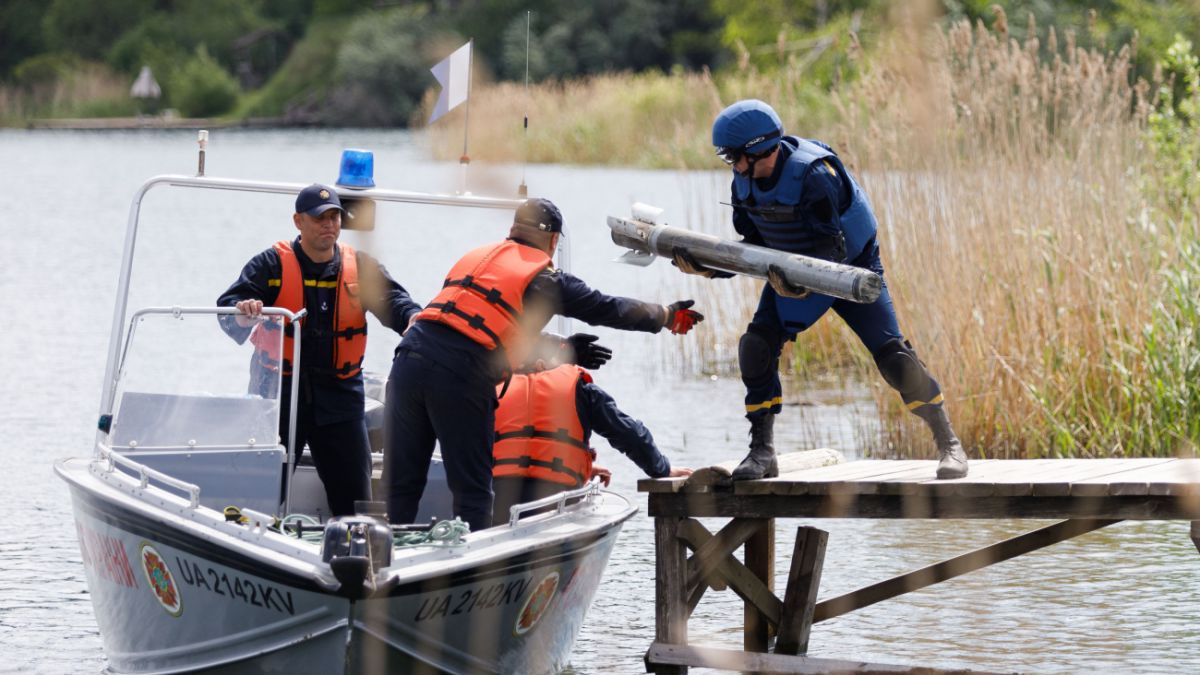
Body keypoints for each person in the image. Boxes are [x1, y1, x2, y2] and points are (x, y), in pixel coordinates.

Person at [674, 99, 967, 480]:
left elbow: (832, 252)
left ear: (760, 148)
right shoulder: (743, 181)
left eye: (735, 157)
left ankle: (949, 445)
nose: (733, 166)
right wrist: (707, 269)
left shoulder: (815, 176)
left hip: (850, 269)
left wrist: (796, 285)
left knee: (895, 358)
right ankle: (762, 452)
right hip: (792, 272)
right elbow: (751, 249)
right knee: (756, 346)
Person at [385, 197, 704, 531]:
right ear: (553, 241)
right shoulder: (546, 279)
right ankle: (476, 577)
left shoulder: (477, 260)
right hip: (459, 376)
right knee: (473, 494)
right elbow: (606, 307)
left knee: (401, 488)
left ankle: (385, 570)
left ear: (512, 230)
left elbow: (478, 328)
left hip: (408, 361)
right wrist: (665, 316)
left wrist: (561, 348)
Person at [217, 183, 422, 516]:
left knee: (355, 494)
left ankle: (354, 553)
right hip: (280, 391)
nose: (329, 225)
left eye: (334, 217)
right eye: (319, 218)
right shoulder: (271, 265)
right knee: (263, 489)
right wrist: (244, 312)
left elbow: (395, 302)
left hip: (340, 394)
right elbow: (227, 310)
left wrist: (413, 317)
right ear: (298, 221)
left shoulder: (361, 267)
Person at [491, 359, 693, 526]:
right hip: (556, 505)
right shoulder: (579, 388)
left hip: (498, 507)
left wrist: (587, 468)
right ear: (543, 362)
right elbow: (629, 433)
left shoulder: (491, 391)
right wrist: (662, 469)